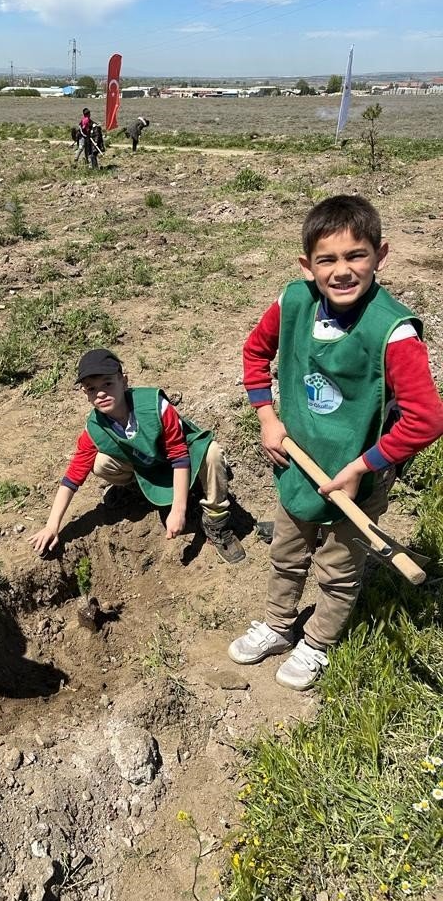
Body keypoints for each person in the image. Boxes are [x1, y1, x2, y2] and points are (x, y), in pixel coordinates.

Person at [228, 195, 443, 691]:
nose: (342, 271)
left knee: (339, 567)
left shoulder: (393, 331)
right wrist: (267, 417)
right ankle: (279, 625)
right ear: (307, 265)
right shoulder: (294, 303)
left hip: (355, 473)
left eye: (356, 256)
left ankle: (318, 642)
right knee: (287, 549)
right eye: (327, 259)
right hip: (298, 462)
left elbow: (427, 418)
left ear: (380, 255)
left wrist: (364, 466)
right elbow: (255, 352)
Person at [29, 348, 245, 564]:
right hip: (148, 466)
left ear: (123, 381)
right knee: (99, 463)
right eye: (92, 389)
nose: (101, 393)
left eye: (107, 384)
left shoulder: (155, 406)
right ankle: (139, 491)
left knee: (212, 453)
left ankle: (215, 522)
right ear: (85, 394)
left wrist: (179, 510)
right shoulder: (95, 427)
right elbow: (73, 477)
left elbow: (179, 456)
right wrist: (52, 525)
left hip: (186, 457)